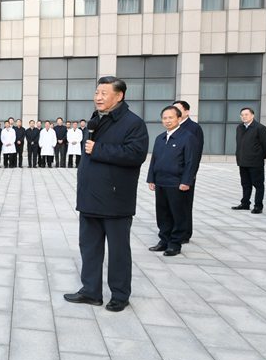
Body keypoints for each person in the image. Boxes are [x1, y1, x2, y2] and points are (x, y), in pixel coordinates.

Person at [64, 76, 149, 312]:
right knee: (89, 247)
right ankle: (91, 291)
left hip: (115, 200)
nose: (98, 97)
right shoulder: (95, 120)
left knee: (119, 251)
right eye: (96, 93)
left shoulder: (133, 123)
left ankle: (120, 295)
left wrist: (99, 149)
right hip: (90, 197)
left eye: (103, 93)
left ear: (119, 95)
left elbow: (135, 154)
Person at [146, 106, 199, 257]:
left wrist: (186, 181)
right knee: (162, 213)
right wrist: (151, 178)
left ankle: (175, 243)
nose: (167, 121)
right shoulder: (160, 138)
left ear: (179, 119)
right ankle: (164, 240)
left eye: (171, 117)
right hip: (161, 182)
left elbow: (191, 162)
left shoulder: (188, 137)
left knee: (177, 214)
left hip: (177, 183)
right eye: (164, 118)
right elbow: (154, 159)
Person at [172, 100, 204, 243]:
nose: (176, 113)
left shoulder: (193, 128)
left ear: (186, 112)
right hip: (171, 175)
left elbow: (195, 154)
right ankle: (173, 231)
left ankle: (184, 234)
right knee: (172, 205)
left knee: (184, 205)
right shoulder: (173, 127)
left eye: (178, 110)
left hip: (185, 174)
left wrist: (189, 176)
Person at [233, 107, 266, 214]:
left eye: (246, 114)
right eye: (242, 115)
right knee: (245, 184)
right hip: (242, 161)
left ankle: (258, 206)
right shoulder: (239, 127)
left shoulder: (260, 128)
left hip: (255, 162)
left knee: (258, 185)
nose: (244, 117)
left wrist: (260, 156)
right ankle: (245, 203)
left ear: (252, 115)